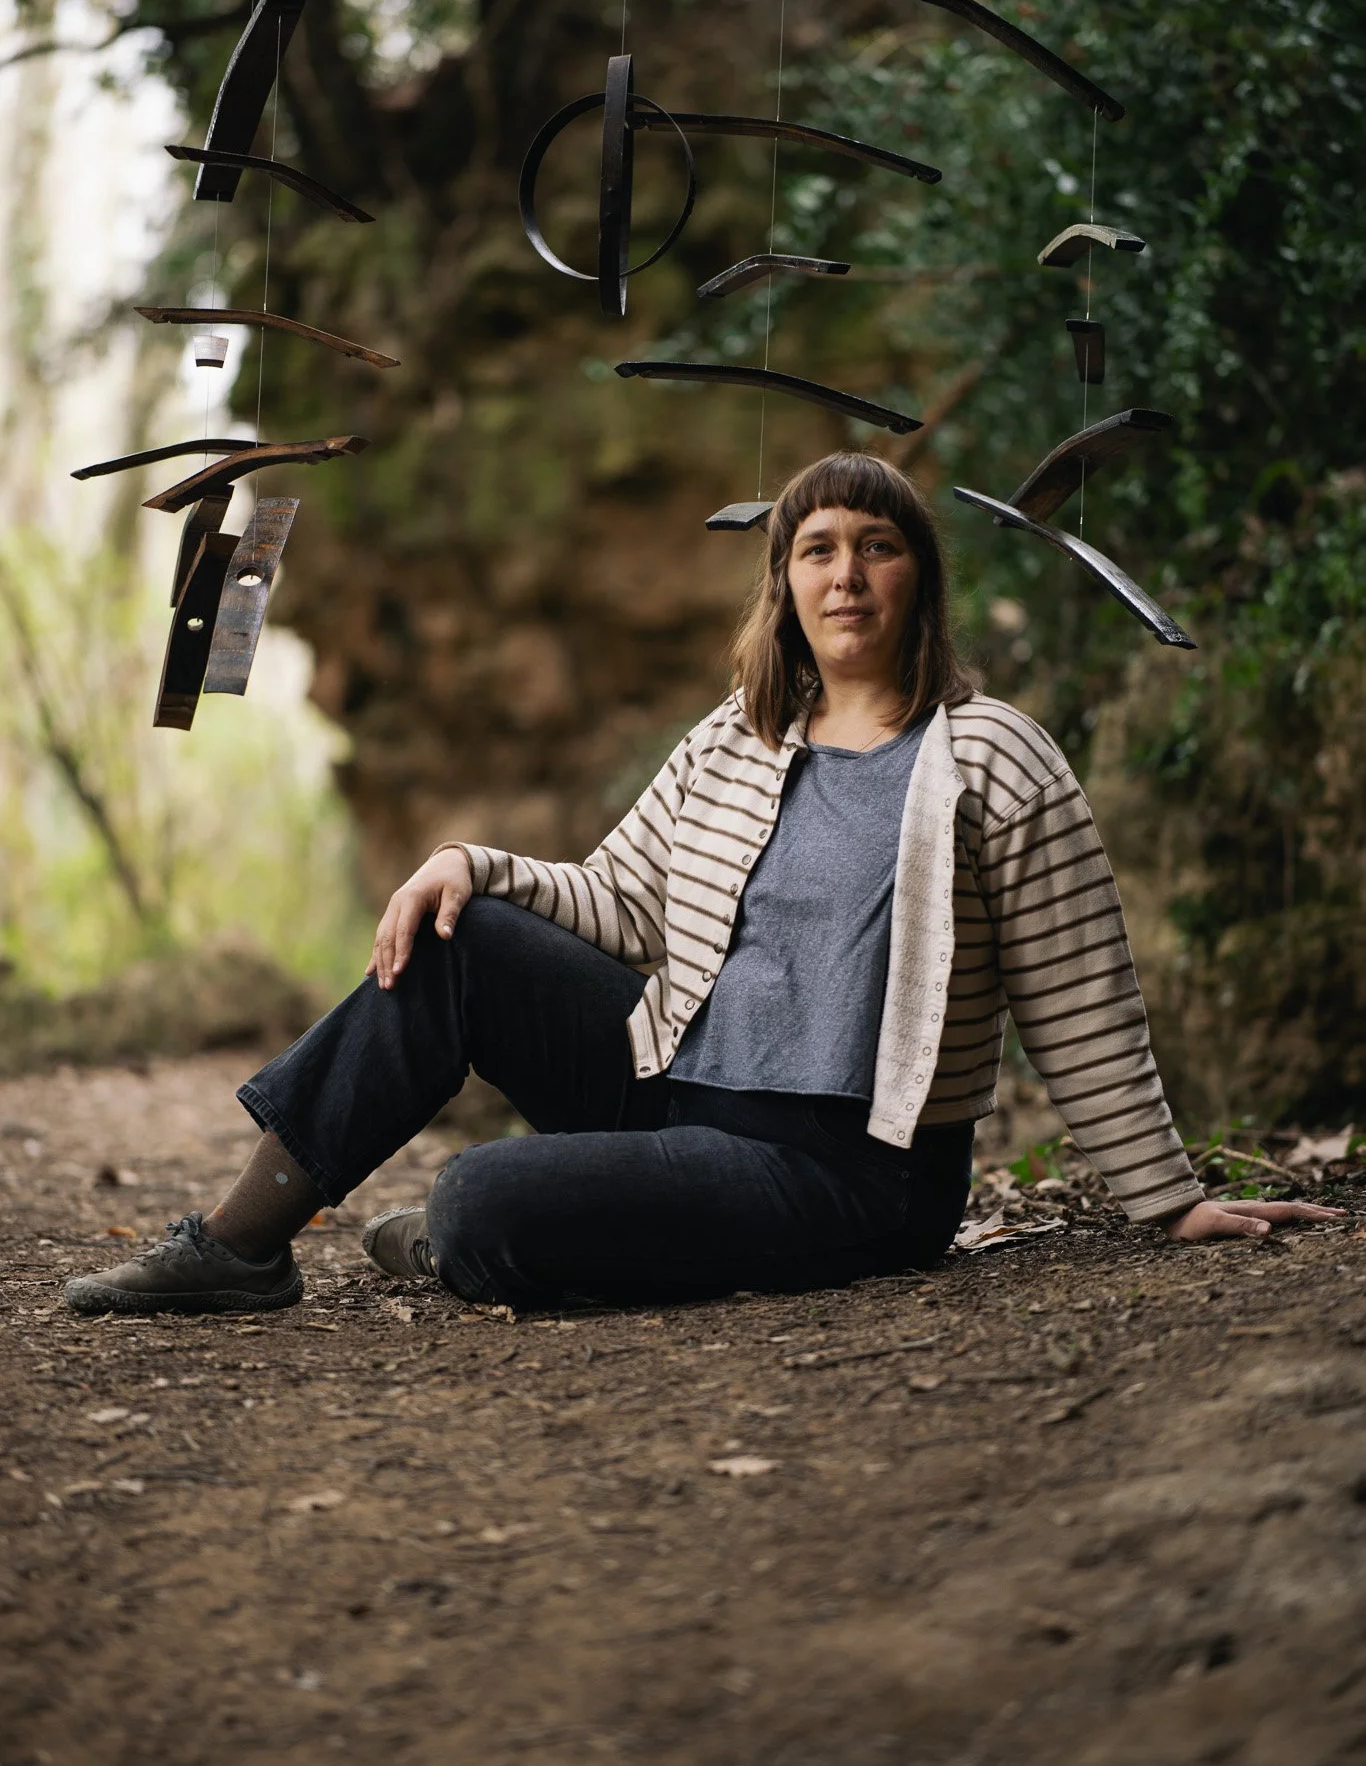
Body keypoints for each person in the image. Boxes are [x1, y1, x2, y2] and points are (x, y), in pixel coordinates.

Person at [64, 453, 1339, 1317]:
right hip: (673, 1085)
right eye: (819, 549)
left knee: (478, 1195)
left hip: (847, 1170)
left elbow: (1080, 994)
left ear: (919, 579)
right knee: (460, 935)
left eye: (877, 548)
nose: (846, 575)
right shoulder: (737, 736)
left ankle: (474, 1233)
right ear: (782, 582)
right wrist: (468, 862)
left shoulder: (991, 757)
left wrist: (1168, 1198)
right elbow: (621, 901)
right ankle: (238, 1248)